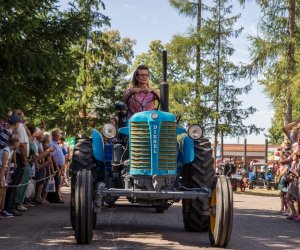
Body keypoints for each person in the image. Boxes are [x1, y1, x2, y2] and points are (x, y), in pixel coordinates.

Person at [0, 134, 20, 218]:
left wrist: (7, 177)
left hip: (5, 173)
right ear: (15, 142)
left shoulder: (11, 151)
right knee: (0, 192)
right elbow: (3, 166)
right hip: (1, 171)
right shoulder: (6, 151)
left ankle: (2, 209)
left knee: (4, 191)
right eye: (18, 141)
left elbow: (8, 166)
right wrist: (2, 179)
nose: (19, 143)